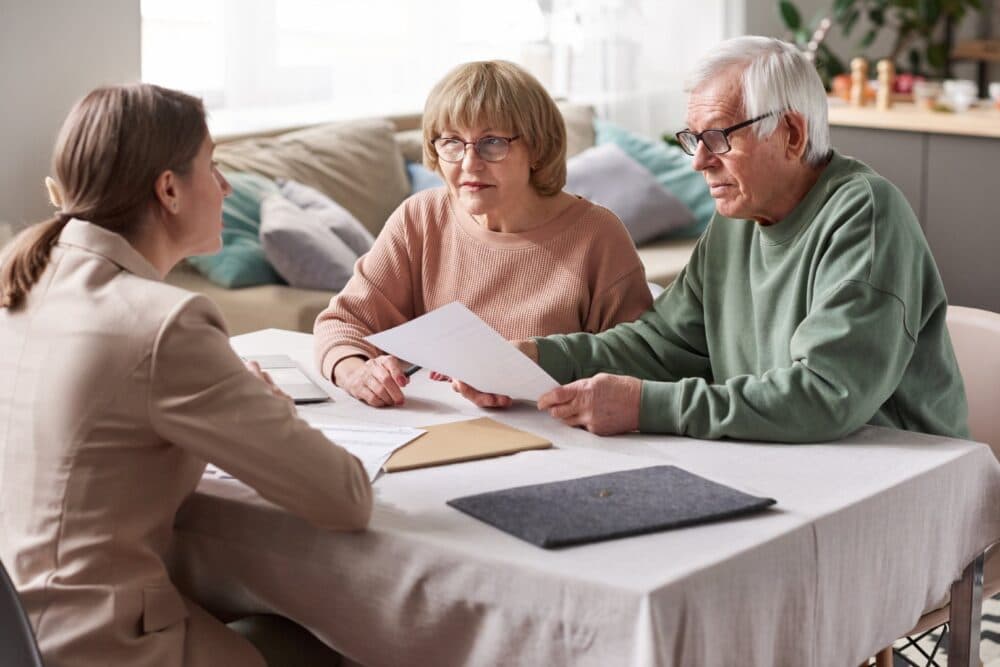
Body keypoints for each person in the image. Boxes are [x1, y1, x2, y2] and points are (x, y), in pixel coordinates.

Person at [0, 84, 372, 667]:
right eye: (214, 165)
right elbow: (345, 498)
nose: (225, 187)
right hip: (102, 645)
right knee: (343, 645)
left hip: (20, 632)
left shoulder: (21, 280)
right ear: (169, 189)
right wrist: (260, 401)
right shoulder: (165, 324)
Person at [456, 36, 968, 442]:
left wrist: (644, 406)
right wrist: (538, 358)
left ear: (791, 133)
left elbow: (826, 393)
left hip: (898, 475)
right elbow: (663, 344)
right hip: (796, 462)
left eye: (719, 137)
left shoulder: (865, 213)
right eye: (693, 140)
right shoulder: (736, 219)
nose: (700, 161)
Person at [314, 60, 652, 408]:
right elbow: (342, 323)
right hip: (440, 430)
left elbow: (640, 361)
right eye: (452, 143)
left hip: (562, 436)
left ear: (536, 148)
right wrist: (355, 372)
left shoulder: (597, 235)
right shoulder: (421, 218)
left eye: (491, 143)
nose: (469, 164)